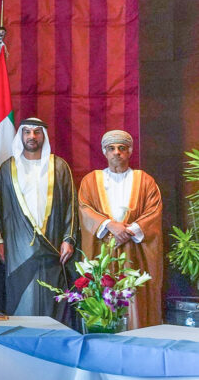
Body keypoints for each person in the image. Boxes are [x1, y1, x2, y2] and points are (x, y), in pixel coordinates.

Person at [0, 118, 78, 319]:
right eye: (27, 132)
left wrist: (68, 239)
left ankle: (54, 334)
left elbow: (71, 205)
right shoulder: (7, 169)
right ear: (21, 135)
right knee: (23, 295)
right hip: (18, 245)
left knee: (52, 294)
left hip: (53, 241)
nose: (32, 136)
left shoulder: (59, 167)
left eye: (37, 132)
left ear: (44, 136)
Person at [79, 130, 163, 329]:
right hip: (102, 250)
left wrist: (129, 231)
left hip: (134, 252)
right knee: (102, 297)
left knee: (135, 298)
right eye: (111, 148)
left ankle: (137, 336)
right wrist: (110, 225)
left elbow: (154, 211)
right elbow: (84, 208)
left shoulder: (145, 180)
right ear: (104, 152)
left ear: (130, 151)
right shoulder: (91, 181)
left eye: (121, 148)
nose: (116, 152)